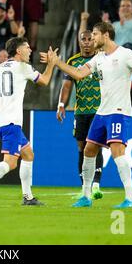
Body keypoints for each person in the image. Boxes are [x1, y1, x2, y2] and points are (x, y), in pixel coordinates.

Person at [50, 22, 132, 208]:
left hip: (118, 112)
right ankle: (86, 196)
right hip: (102, 112)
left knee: (117, 151)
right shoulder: (99, 58)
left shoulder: (125, 54)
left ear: (106, 35)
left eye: (95, 34)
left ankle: (131, 198)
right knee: (88, 150)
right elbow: (78, 74)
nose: (92, 38)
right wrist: (57, 63)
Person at [0, 37, 57, 206]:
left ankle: (28, 197)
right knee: (10, 163)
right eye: (27, 47)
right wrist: (52, 63)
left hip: (2, 121)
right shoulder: (23, 67)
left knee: (28, 155)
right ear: (18, 51)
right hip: (12, 123)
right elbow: (45, 81)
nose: (30, 50)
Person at [57, 26, 104, 200]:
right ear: (79, 41)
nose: (86, 42)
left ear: (94, 40)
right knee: (81, 147)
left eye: (89, 39)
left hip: (100, 110)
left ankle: (97, 185)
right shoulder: (73, 61)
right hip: (81, 110)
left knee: (95, 146)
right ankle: (85, 186)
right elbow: (67, 85)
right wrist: (61, 103)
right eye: (83, 39)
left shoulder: (102, 58)